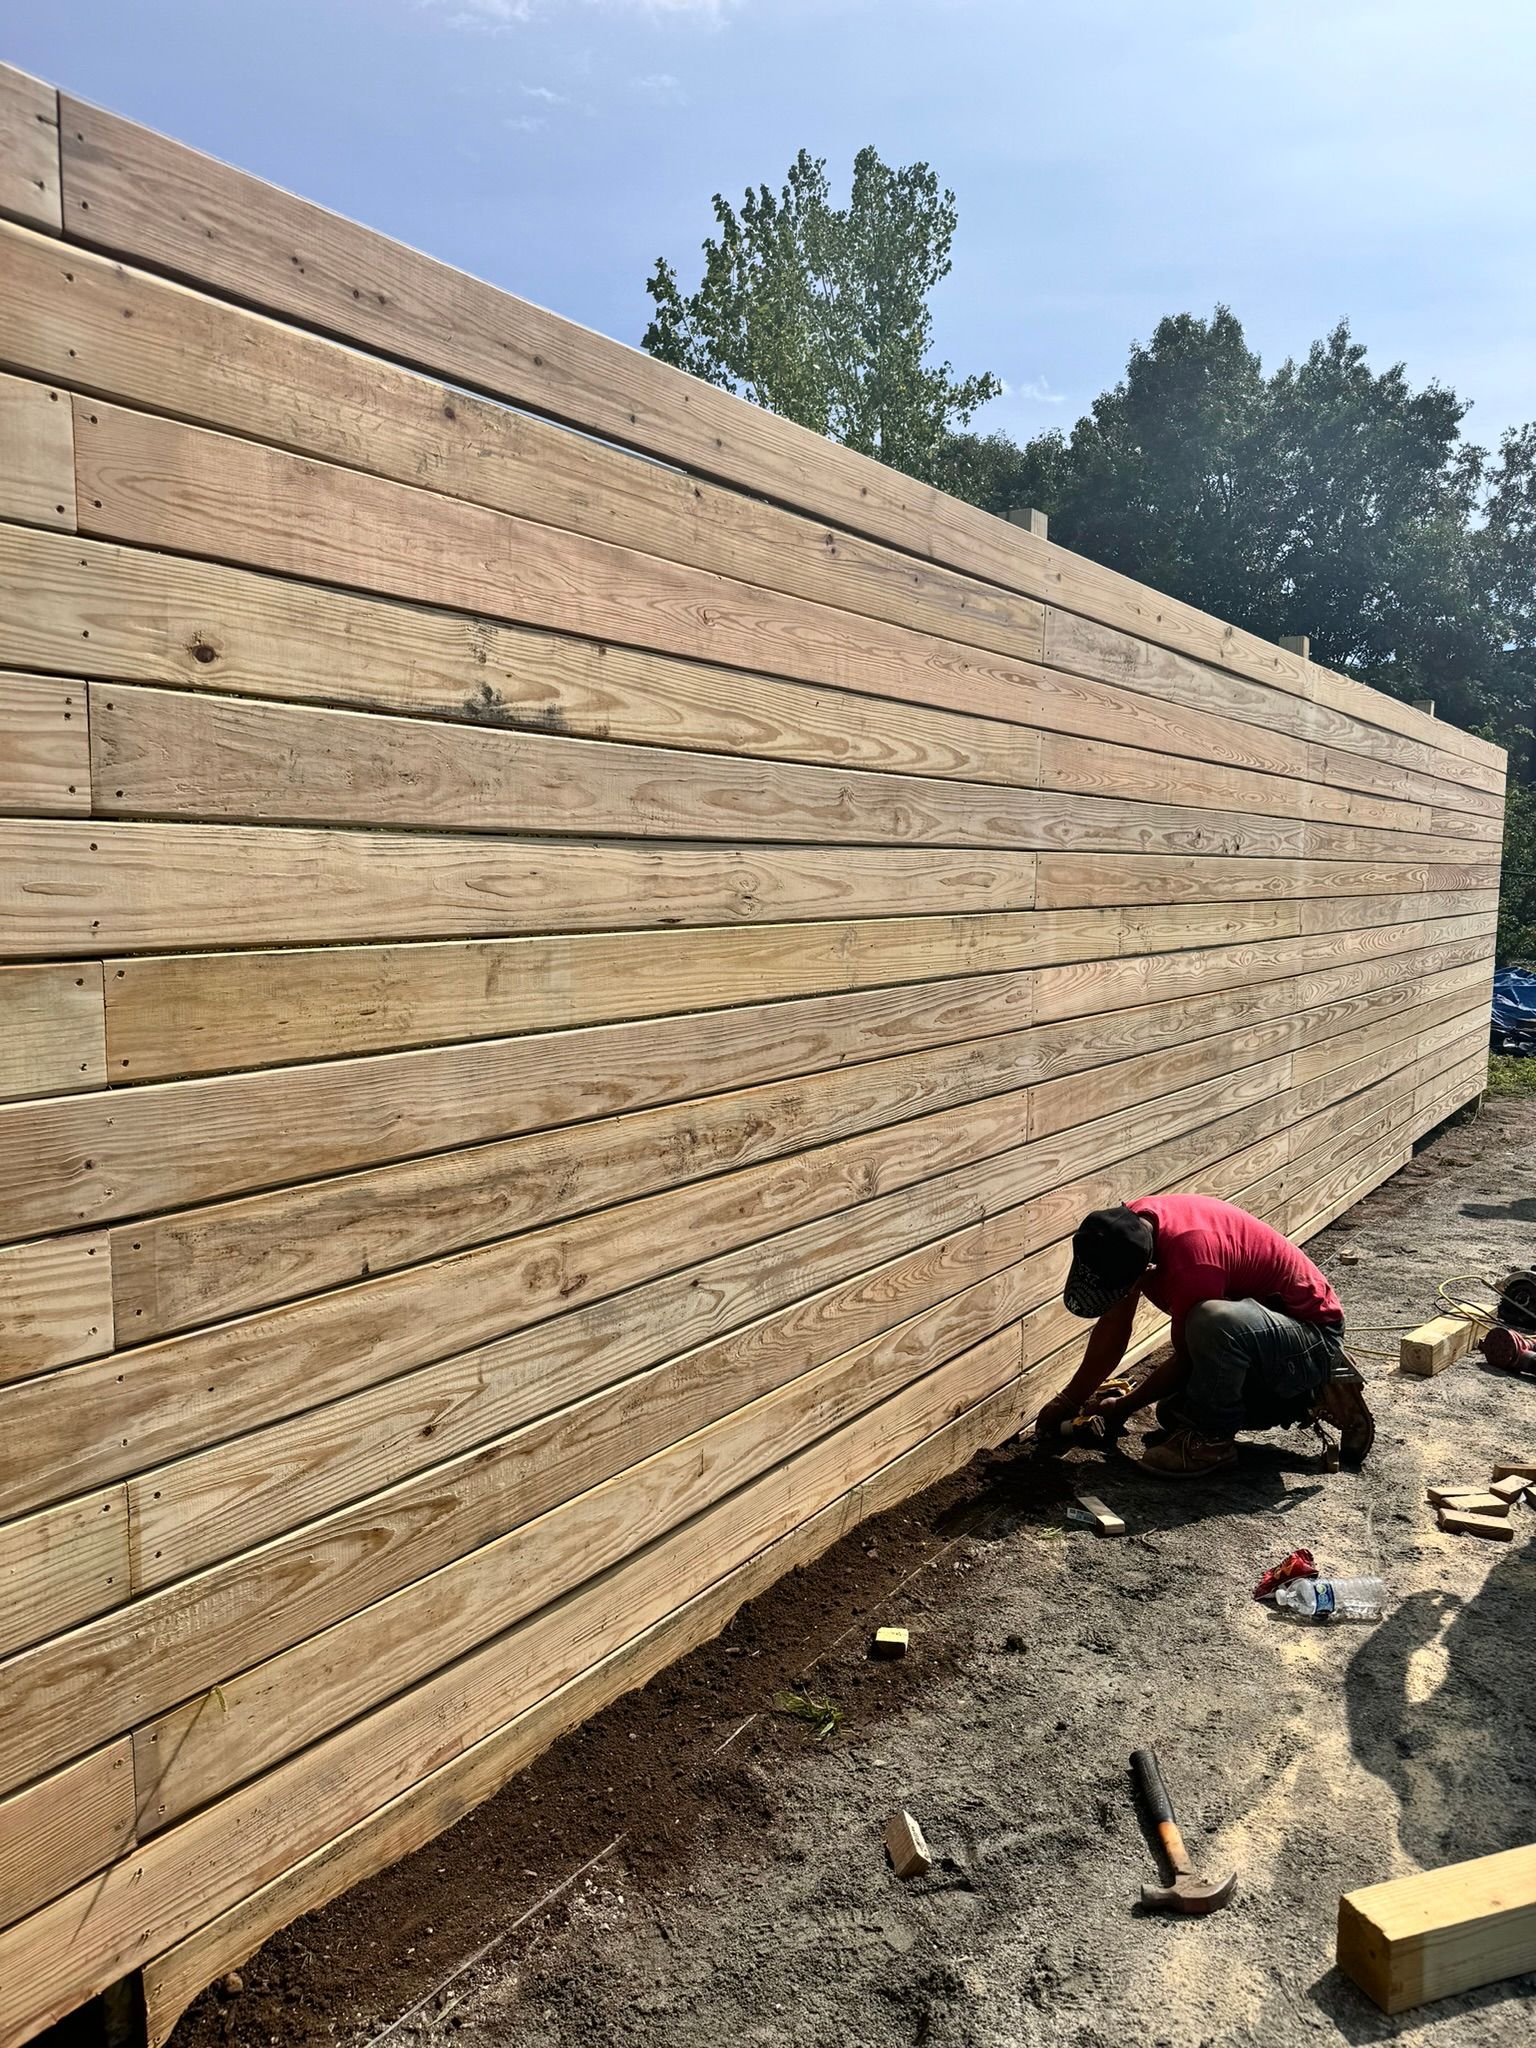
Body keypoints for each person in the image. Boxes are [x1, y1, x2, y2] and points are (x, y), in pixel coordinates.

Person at [1037, 1194, 1375, 1477]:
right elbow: (1114, 1327)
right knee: (1172, 1413)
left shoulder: (1192, 1263)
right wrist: (1069, 1400)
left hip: (1312, 1334)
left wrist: (1123, 1407)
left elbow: (1187, 1359)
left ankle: (1214, 1442)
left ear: (1148, 1272)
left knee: (1208, 1320)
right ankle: (1309, 1396)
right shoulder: (1128, 1232)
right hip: (1268, 1331)